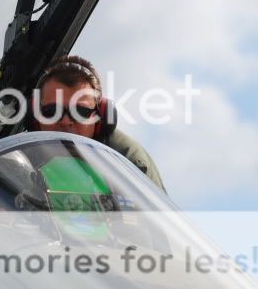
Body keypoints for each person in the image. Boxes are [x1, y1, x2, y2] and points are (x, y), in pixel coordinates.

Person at [28, 55, 166, 190]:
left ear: (101, 116)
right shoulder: (16, 159)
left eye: (80, 111)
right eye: (52, 111)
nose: (65, 121)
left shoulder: (128, 162)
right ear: (35, 116)